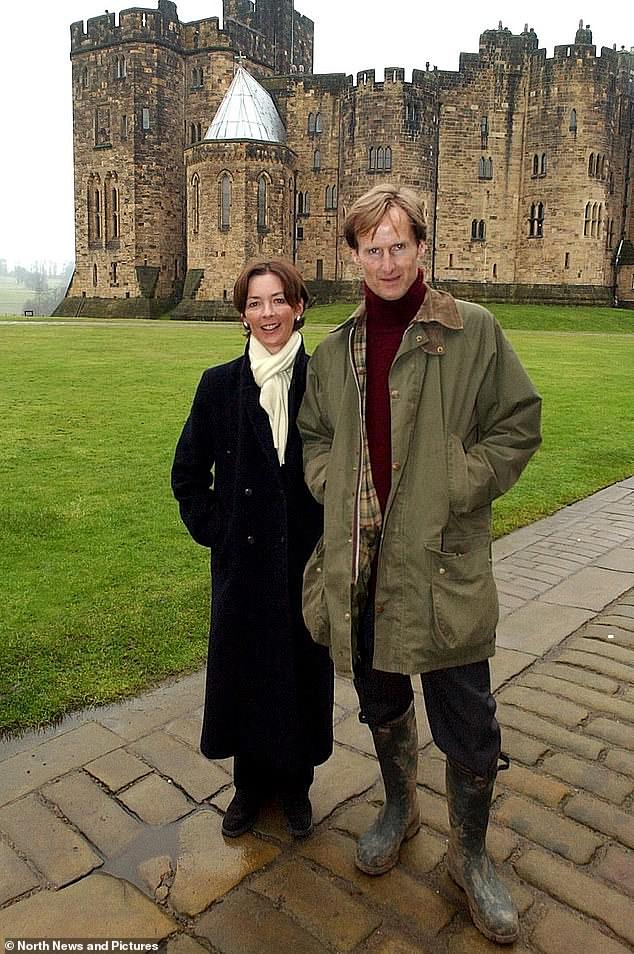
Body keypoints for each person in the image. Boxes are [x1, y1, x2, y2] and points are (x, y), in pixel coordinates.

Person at [298, 184, 541, 944]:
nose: (387, 259)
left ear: (423, 247)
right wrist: (332, 481)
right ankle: (400, 810)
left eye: (400, 244)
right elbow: (313, 437)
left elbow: (517, 424)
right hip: (361, 564)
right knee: (380, 697)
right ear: (355, 255)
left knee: (469, 722)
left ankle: (469, 858)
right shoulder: (335, 351)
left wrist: (460, 483)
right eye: (372, 247)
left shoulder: (474, 332)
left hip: (440, 566)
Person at [171, 257, 334, 839]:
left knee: (298, 671)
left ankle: (296, 787)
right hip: (242, 564)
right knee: (246, 672)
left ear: (298, 307)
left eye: (278, 301)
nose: (268, 315)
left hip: (303, 563)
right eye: (255, 304)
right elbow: (188, 474)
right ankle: (248, 787)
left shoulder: (324, 382)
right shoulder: (219, 386)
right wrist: (218, 529)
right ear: (242, 314)